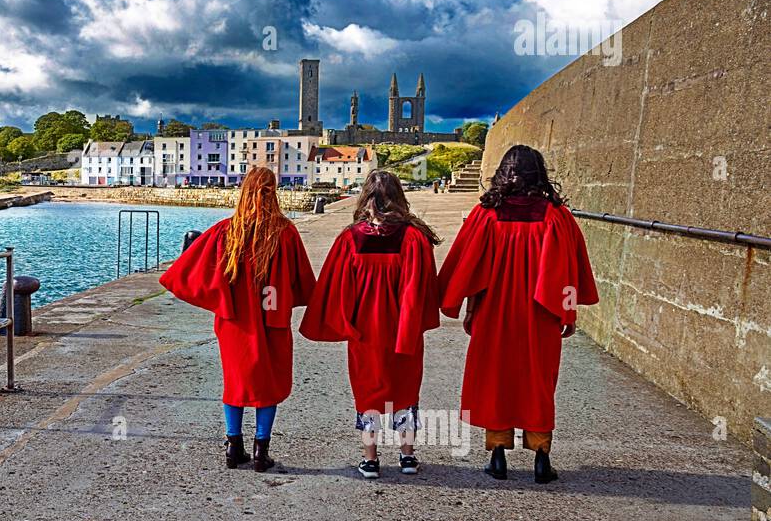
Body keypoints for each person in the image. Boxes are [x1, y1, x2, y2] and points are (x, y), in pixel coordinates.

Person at [438, 145, 598, 483]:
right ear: (539, 173)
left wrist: (469, 309)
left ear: (502, 173)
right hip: (540, 316)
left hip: (494, 312)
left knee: (496, 379)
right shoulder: (556, 216)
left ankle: (498, 456)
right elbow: (568, 271)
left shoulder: (486, 214)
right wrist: (567, 314)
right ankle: (541, 457)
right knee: (537, 382)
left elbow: (470, 269)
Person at [159, 167, 316, 472]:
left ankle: (234, 447)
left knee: (235, 383)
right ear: (274, 192)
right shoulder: (285, 232)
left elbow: (185, 273)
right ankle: (260, 452)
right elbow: (302, 282)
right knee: (268, 384)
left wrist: (219, 300)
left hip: (235, 323)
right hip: (272, 319)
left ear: (243, 191)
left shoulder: (224, 232)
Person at [300, 171, 441, 479]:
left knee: (368, 393)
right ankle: (407, 456)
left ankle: (371, 459)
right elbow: (423, 287)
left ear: (365, 196)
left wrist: (345, 323)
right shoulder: (414, 237)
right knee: (405, 392)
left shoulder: (351, 237)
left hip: (365, 331)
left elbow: (336, 289)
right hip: (404, 328)